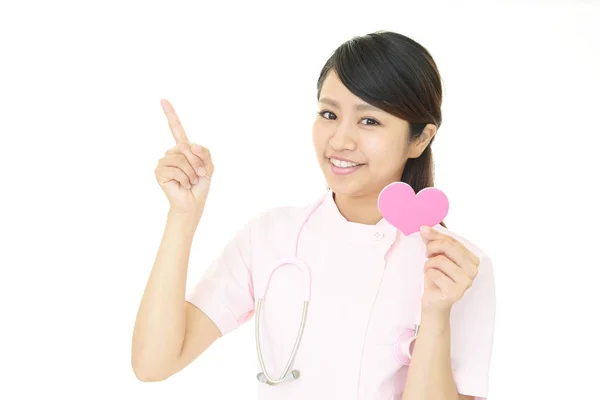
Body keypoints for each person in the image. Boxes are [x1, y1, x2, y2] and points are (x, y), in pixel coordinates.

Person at [131, 30, 496, 400]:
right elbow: (153, 363)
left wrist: (435, 314)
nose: (340, 139)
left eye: (369, 121)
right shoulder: (270, 237)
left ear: (420, 139)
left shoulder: (456, 267)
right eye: (329, 113)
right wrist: (183, 215)